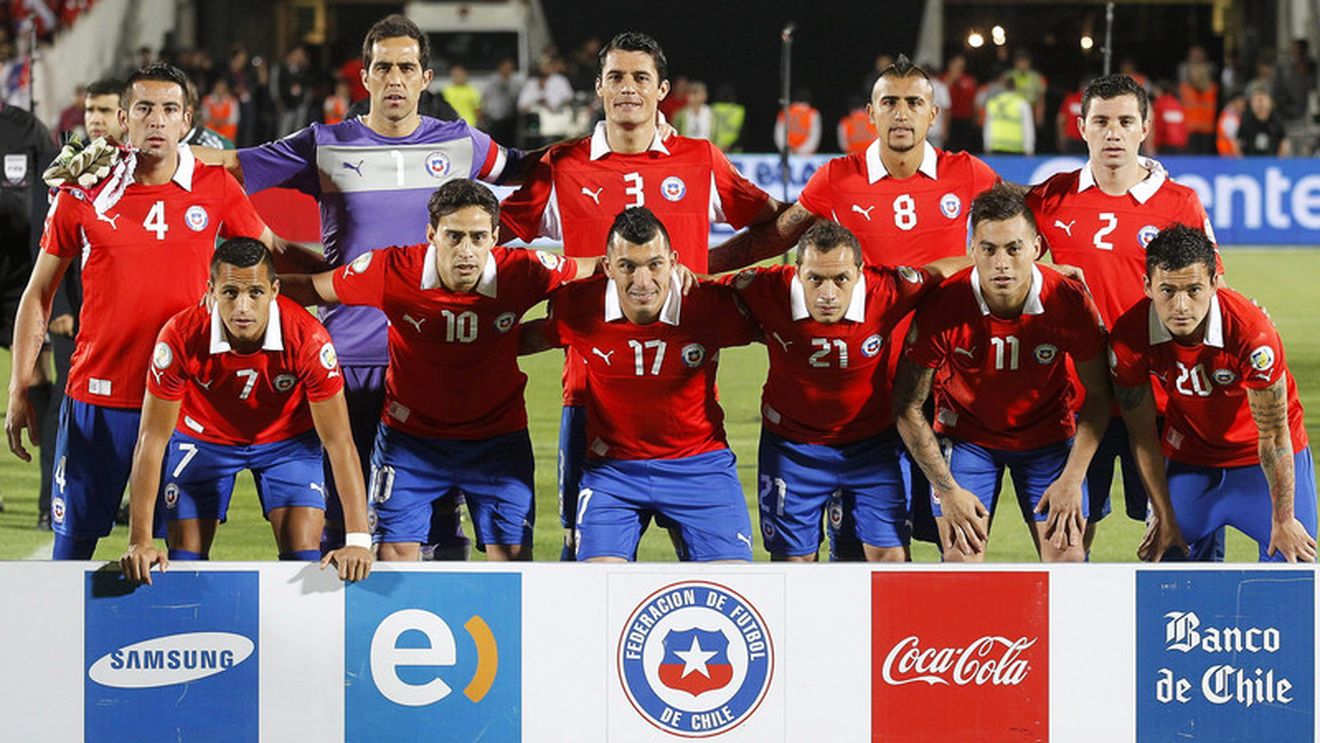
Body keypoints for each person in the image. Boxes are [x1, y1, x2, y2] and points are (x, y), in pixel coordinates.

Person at [195, 15, 522, 559]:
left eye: (407, 68)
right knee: (342, 523)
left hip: (431, 360)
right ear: (364, 77)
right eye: (383, 67)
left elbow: (535, 171)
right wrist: (133, 158)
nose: (395, 78)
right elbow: (227, 164)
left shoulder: (462, 144)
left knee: (438, 519)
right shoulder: (325, 143)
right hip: (347, 360)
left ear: (426, 77)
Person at [498, 31, 798, 560]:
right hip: (588, 398)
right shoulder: (563, 165)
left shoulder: (699, 159)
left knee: (724, 577)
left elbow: (775, 224)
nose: (628, 88)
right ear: (598, 88)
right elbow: (487, 240)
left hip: (683, 394)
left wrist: (708, 267)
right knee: (586, 571)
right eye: (615, 76)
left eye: (640, 77)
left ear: (662, 90)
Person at [710, 54, 999, 552]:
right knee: (868, 544)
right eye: (891, 102)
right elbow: (772, 237)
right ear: (871, 113)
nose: (902, 113)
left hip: (946, 382)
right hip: (869, 390)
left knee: (954, 534)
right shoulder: (837, 178)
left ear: (934, 113)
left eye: (914, 103)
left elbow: (1027, 220)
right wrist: (690, 264)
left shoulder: (968, 173)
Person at [4, 63, 278, 560]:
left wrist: (344, 276)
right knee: (71, 555)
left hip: (188, 403)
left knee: (187, 557)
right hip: (98, 398)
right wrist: (19, 385)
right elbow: (37, 293)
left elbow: (271, 257)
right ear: (124, 119)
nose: (157, 120)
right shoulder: (84, 191)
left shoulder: (215, 187)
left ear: (186, 121)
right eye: (145, 109)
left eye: (169, 109)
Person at [282, 179, 601, 562]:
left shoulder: (526, 270)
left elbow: (598, 268)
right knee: (394, 555)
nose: (466, 250)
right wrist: (244, 287)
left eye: (478, 237)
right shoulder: (393, 268)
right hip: (410, 439)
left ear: (495, 237)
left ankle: (492, 626)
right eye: (454, 236)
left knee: (513, 559)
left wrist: (673, 275)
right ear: (432, 234)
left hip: (497, 440)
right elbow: (315, 288)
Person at [1027, 74, 1218, 554]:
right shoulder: (1049, 198)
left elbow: (1209, 295)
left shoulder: (1180, 203)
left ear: (1145, 127)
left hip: (1158, 400)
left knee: (1175, 540)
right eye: (1102, 121)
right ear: (1081, 127)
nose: (1113, 132)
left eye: (1125, 121)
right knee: (1066, 540)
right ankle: (1069, 628)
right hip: (1074, 401)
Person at [119, 239, 372, 582]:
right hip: (203, 439)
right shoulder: (180, 335)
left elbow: (339, 442)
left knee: (302, 555)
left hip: (287, 442)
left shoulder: (308, 338)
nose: (243, 307)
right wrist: (139, 541)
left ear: (274, 290)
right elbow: (151, 440)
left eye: (255, 292)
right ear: (210, 291)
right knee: (184, 558)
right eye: (230, 293)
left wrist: (357, 540)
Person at [522, 207, 759, 562]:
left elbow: (783, 329)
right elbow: (516, 339)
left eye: (654, 264)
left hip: (699, 467)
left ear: (673, 262)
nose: (642, 281)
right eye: (627, 266)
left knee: (732, 587)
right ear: (607, 267)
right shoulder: (579, 306)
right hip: (613, 472)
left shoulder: (710, 306)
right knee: (596, 586)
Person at [894, 184, 1112, 562]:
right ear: (971, 251)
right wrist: (946, 489)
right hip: (967, 440)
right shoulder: (944, 304)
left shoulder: (1069, 300)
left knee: (1069, 560)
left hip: (1047, 438)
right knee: (962, 559)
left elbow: (1100, 394)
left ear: (1036, 248)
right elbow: (907, 405)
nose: (1002, 263)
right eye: (989, 250)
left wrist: (1073, 478)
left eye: (1014, 248)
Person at [727, 220, 960, 561]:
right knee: (794, 563)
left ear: (860, 272)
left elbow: (941, 270)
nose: (828, 293)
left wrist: (1027, 268)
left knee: (890, 557)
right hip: (792, 447)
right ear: (797, 271)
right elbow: (700, 290)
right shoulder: (764, 287)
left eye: (841, 279)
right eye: (815, 279)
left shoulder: (889, 289)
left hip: (873, 446)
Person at [1111, 225, 1317, 563]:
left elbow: (1274, 434)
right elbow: (1143, 434)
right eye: (1167, 291)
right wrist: (1161, 513)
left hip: (1261, 461)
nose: (1180, 306)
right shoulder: (1129, 338)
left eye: (1194, 290)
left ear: (1214, 284)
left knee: (1293, 563)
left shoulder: (1253, 335)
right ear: (1147, 286)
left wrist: (1282, 520)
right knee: (1166, 562)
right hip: (1190, 460)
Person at [0, 99, 57, 519]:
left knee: (37, 380)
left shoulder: (26, 128)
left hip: (20, 280)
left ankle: (48, 500)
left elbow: (55, 194)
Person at [983, 74, 1035, 155]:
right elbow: (1028, 127)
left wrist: (987, 146)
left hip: (996, 148)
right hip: (1016, 149)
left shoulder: (993, 103)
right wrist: (1029, 149)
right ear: (1016, 87)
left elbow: (987, 127)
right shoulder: (1022, 104)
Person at [1237, 83, 1290, 157]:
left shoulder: (1277, 121)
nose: (1260, 104)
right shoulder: (1246, 121)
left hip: (1271, 162)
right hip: (1250, 162)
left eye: (1262, 99)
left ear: (1271, 102)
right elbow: (1237, 144)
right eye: (1256, 100)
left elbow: (1284, 143)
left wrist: (1279, 162)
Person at [773, 88, 822, 155]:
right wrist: (802, 151)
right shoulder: (813, 113)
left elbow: (779, 134)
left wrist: (787, 149)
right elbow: (814, 136)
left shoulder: (785, 112)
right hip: (806, 155)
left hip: (787, 154)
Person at [83, 77, 125, 143]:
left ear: (124, 118)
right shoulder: (71, 152)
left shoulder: (142, 151)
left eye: (105, 110)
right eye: (90, 110)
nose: (95, 120)